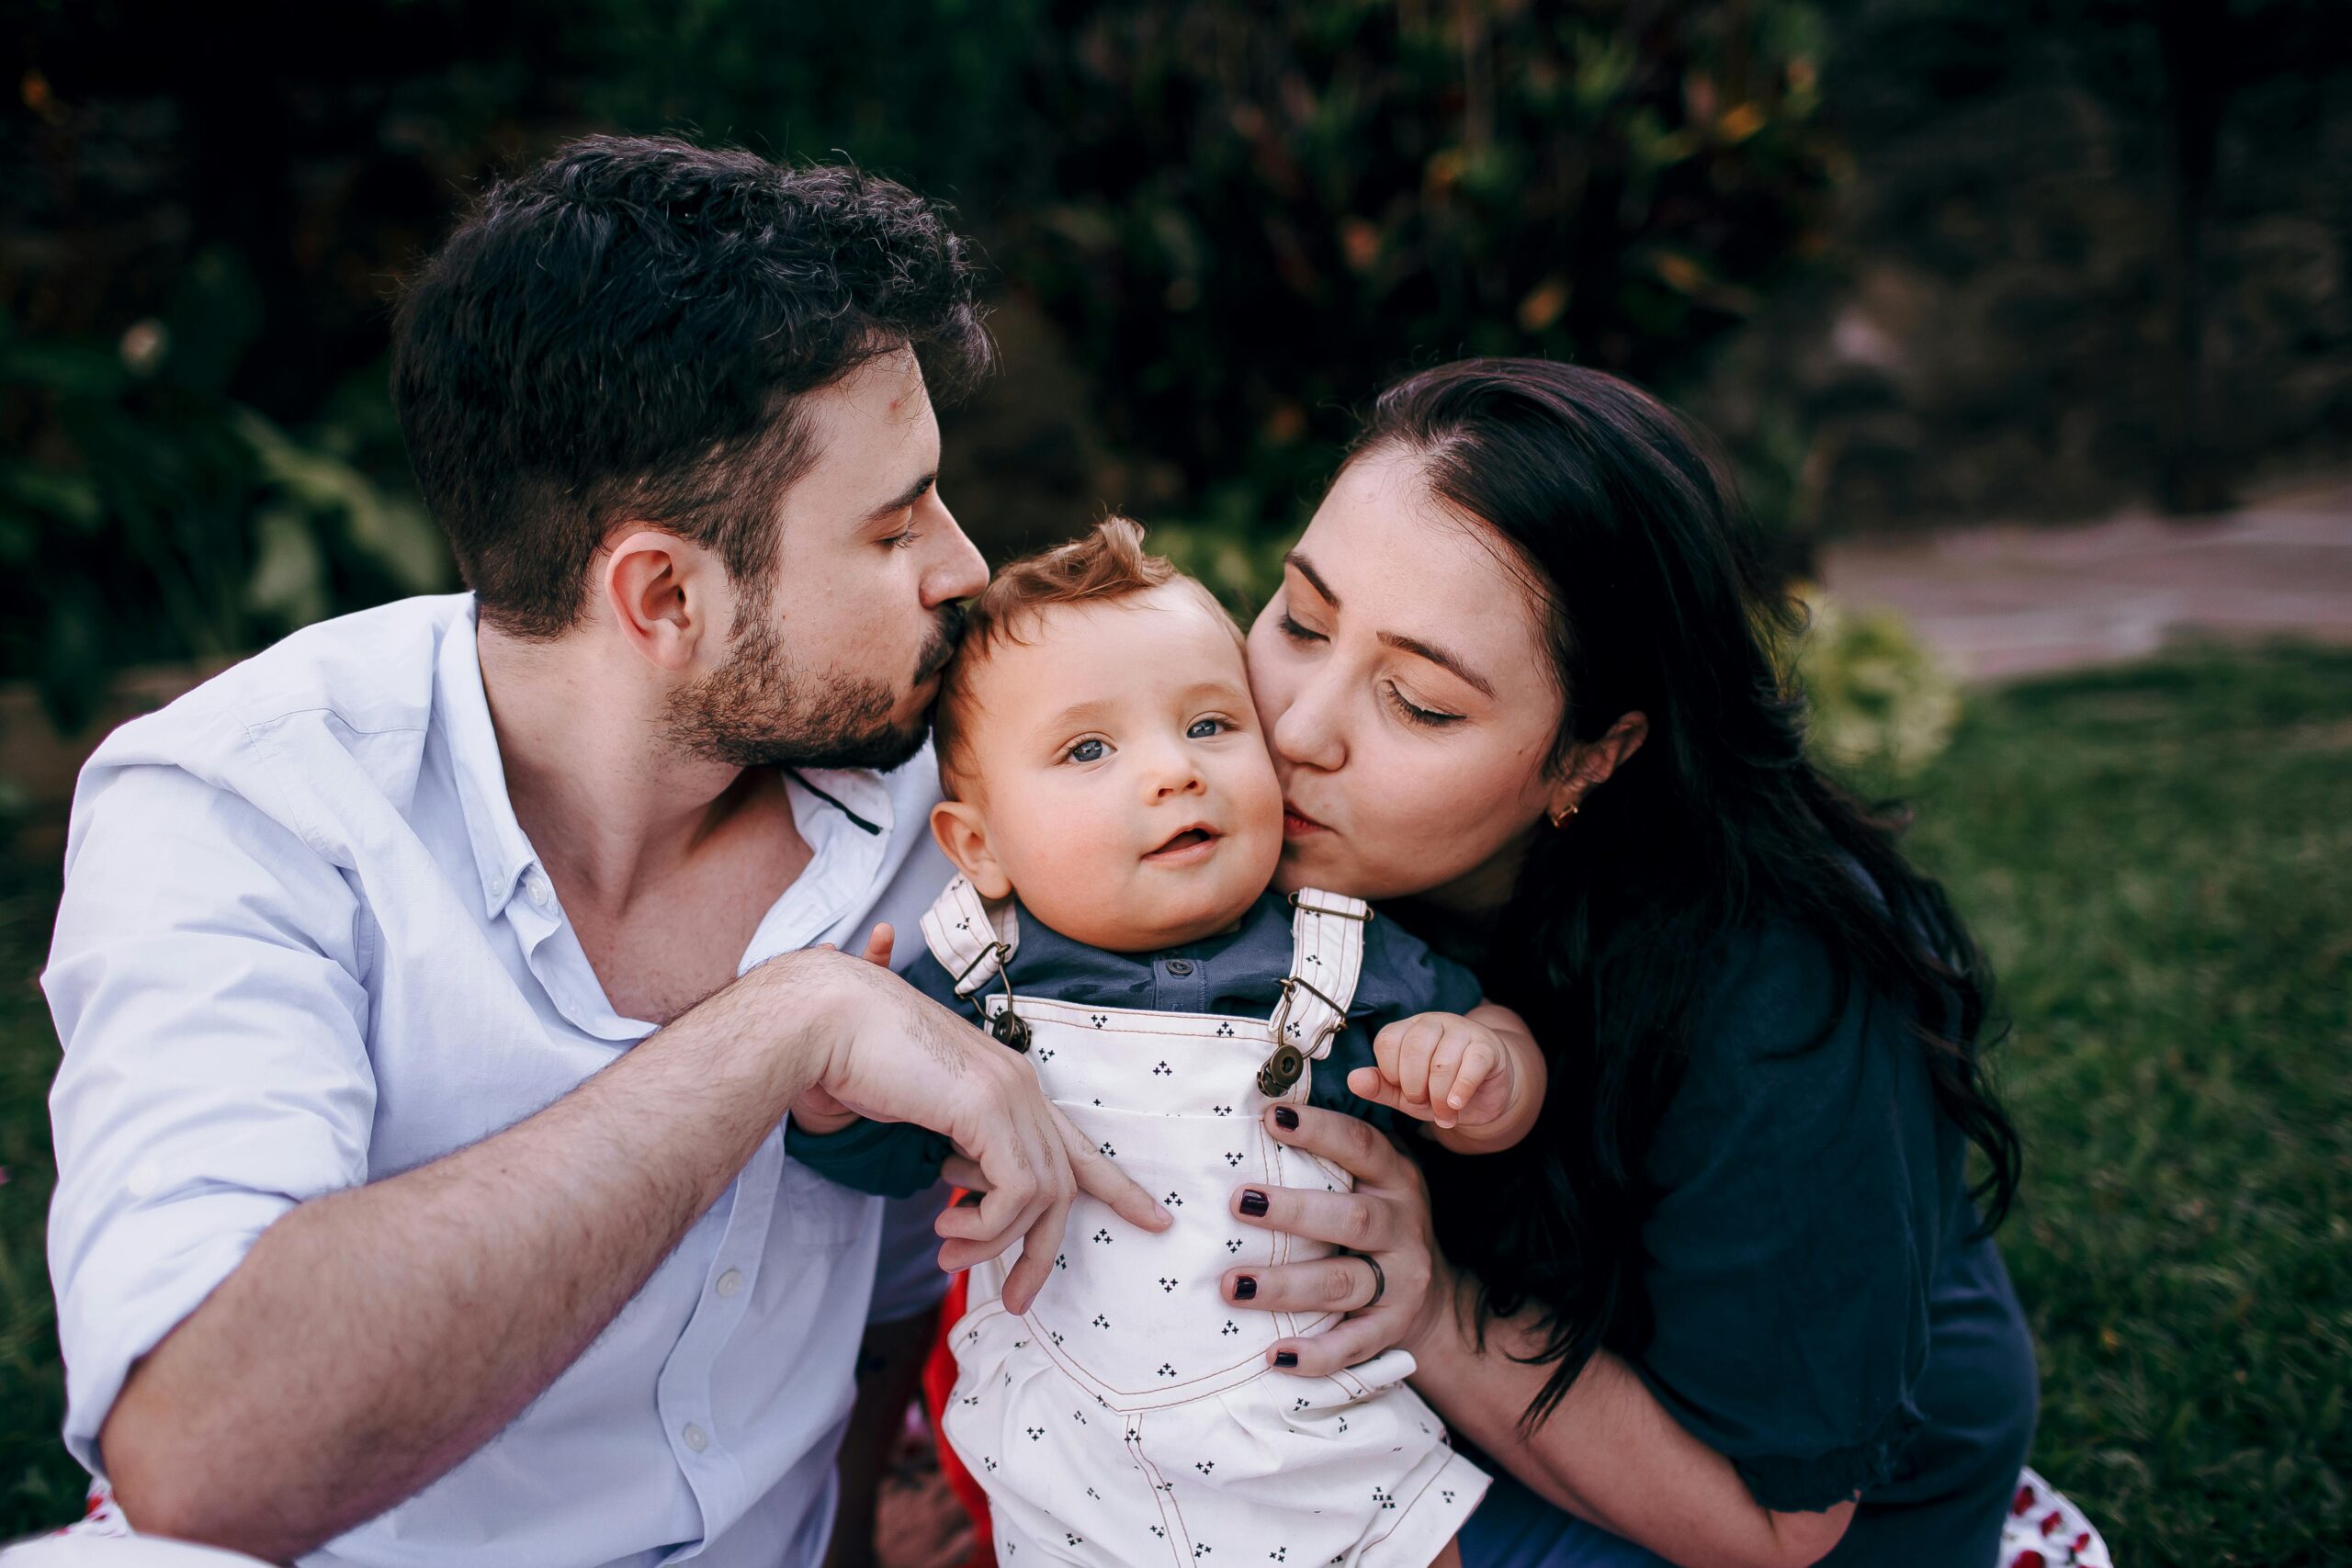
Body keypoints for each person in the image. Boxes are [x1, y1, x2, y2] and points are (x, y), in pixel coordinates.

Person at [39, 135, 1169, 1566]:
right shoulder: (245, 805)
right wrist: (779, 1024)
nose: (961, 566)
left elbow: (908, 1296)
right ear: (663, 594)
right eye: (892, 529)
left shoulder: (952, 816)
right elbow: (203, 1453)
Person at [1114, 359, 2041, 1566]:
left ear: (1590, 759)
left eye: (1421, 703)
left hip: (1754, 1496)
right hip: (1460, 1398)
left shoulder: (1779, 994)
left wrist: (1435, 1308)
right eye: (1299, 618)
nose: (1296, 727)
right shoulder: (1265, 837)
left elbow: (1777, 1522)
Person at [788, 518, 1551, 1565]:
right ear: (981, 846)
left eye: (1208, 725)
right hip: (1078, 1467)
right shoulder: (970, 987)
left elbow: (1477, 1050)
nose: (1172, 773)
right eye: (1090, 749)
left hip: (1323, 1452)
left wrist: (1483, 1072)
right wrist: (835, 1108)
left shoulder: (1332, 952)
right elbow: (889, 1160)